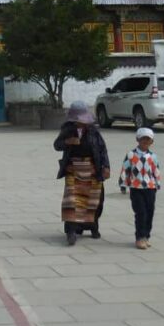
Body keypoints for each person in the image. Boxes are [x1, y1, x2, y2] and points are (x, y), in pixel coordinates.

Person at [54, 101, 110, 246]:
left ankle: (92, 226)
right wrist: (68, 141)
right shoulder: (67, 129)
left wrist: (106, 166)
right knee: (72, 200)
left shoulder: (93, 130)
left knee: (94, 200)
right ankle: (71, 231)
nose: (82, 123)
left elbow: (102, 149)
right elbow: (57, 145)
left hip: (92, 168)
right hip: (73, 169)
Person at [119, 127, 162, 250]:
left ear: (151, 141)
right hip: (136, 187)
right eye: (143, 139)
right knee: (140, 212)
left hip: (150, 187)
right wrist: (123, 183)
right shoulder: (131, 155)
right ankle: (139, 237)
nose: (145, 141)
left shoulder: (153, 156)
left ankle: (146, 236)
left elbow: (156, 170)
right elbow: (125, 169)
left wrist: (157, 183)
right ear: (138, 139)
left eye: (148, 139)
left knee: (150, 212)